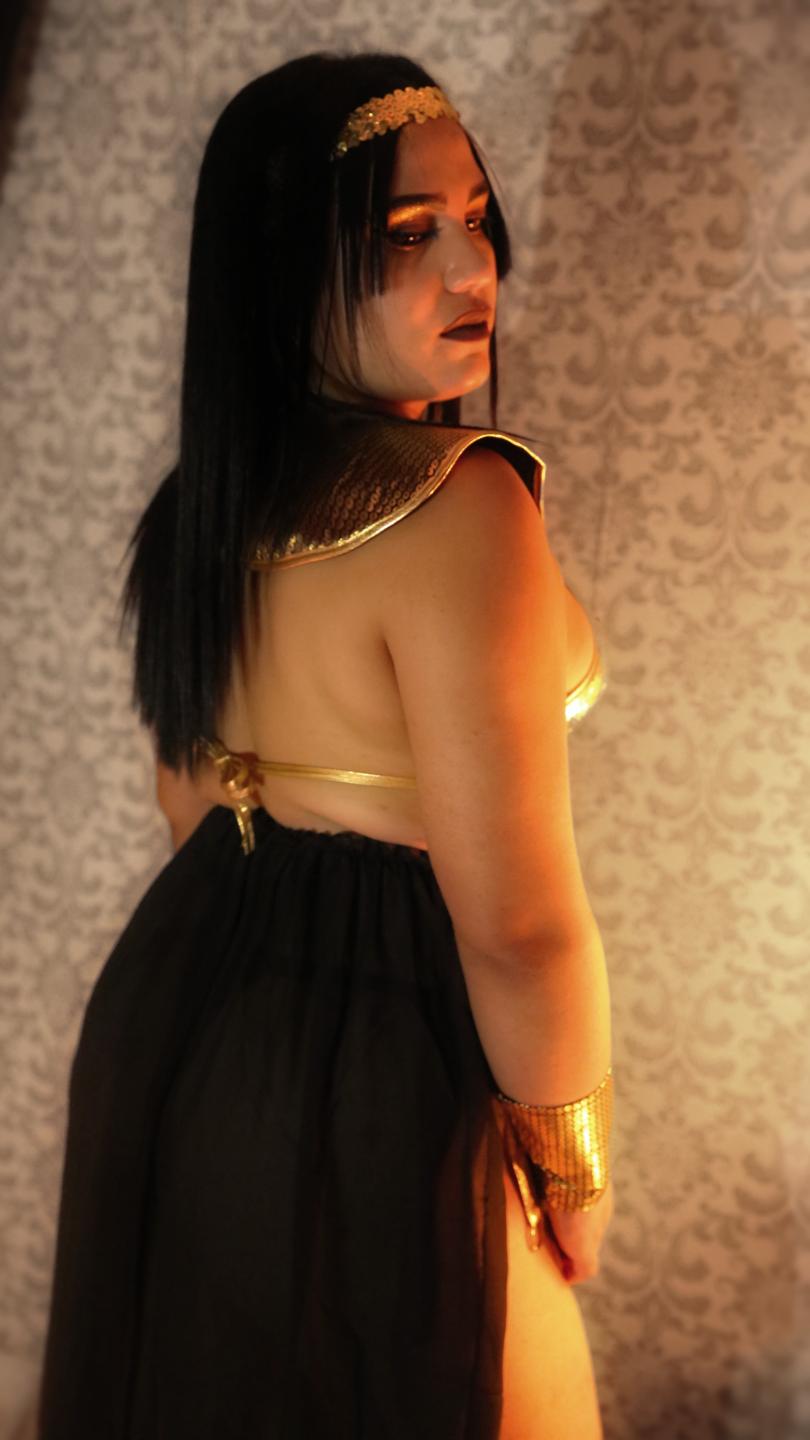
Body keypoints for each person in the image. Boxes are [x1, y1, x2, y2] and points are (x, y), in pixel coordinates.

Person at [36, 51, 614, 1440]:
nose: (472, 267)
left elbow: (195, 805)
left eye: (475, 219)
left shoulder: (203, 506)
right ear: (282, 269)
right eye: (407, 235)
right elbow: (519, 926)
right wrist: (573, 1159)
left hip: (189, 1034)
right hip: (399, 1065)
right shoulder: (464, 506)